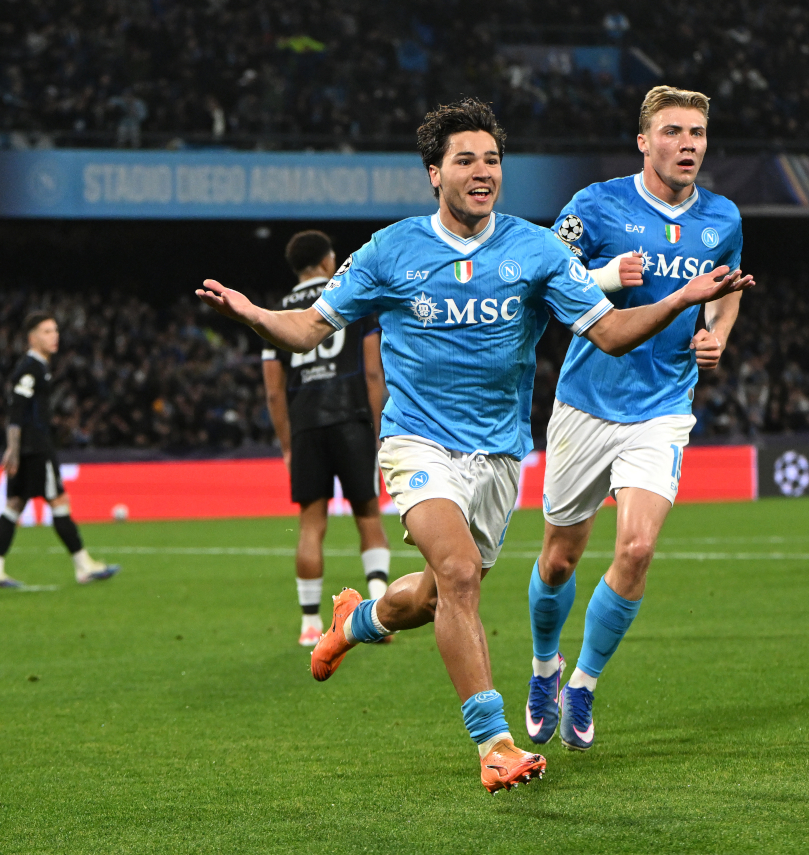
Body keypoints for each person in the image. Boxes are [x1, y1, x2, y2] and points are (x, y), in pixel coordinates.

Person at [195, 98, 753, 793]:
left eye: (492, 159)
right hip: (417, 443)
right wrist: (256, 315)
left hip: (497, 455)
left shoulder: (536, 249)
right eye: (466, 159)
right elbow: (310, 328)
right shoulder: (392, 250)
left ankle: (357, 618)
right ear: (434, 173)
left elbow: (608, 332)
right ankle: (493, 741)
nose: (483, 171)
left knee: (434, 596)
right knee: (459, 574)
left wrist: (678, 301)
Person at [525, 85, 746, 752]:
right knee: (560, 559)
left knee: (638, 547)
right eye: (674, 132)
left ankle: (584, 682)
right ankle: (543, 668)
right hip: (586, 402)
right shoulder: (595, 205)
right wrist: (605, 275)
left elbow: (727, 289)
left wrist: (717, 334)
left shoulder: (723, 218)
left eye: (698, 134)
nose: (688, 144)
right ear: (644, 141)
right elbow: (542, 273)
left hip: (662, 407)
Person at [262, 230, 392, 647]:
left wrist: (287, 443)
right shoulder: (351, 297)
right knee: (368, 517)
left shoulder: (276, 312)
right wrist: (376, 429)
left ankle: (308, 625)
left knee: (311, 526)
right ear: (325, 261)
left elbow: (272, 390)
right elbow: (374, 373)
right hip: (353, 419)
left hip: (306, 426)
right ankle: (379, 612)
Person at [0, 312, 120, 589]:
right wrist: (14, 448)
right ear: (32, 338)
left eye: (55, 330)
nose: (54, 336)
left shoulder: (39, 367)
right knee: (59, 501)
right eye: (46, 331)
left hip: (29, 447)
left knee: (14, 505)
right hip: (35, 448)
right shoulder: (30, 367)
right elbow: (16, 410)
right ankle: (83, 566)